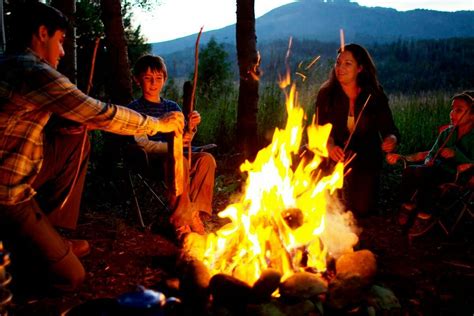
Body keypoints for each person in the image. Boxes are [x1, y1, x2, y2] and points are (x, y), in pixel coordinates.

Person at [0, 2, 184, 292]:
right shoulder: (33, 71)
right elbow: (102, 113)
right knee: (71, 276)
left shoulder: (9, 64)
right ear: (42, 33)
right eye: (60, 42)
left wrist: (62, 127)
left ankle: (53, 232)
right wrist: (159, 124)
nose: (62, 52)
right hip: (7, 194)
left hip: (19, 171)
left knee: (75, 136)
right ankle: (22, 258)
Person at [128, 54, 216, 237]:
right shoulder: (134, 110)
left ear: (164, 80)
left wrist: (191, 128)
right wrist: (172, 149)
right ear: (137, 80)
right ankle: (181, 220)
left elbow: (183, 140)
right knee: (179, 162)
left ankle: (196, 213)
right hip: (152, 160)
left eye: (158, 78)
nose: (154, 83)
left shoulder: (172, 107)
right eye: (148, 78)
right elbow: (142, 144)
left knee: (206, 160)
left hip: (179, 153)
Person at [315, 43, 400, 217]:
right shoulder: (326, 94)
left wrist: (391, 140)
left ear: (360, 68)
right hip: (335, 154)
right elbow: (319, 129)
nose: (340, 68)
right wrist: (330, 146)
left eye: (347, 63)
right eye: (338, 63)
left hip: (365, 157)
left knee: (361, 209)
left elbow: (390, 129)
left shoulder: (374, 95)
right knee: (328, 202)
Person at [386, 91, 474, 227]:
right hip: (437, 168)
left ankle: (424, 214)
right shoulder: (447, 133)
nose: (452, 113)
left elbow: (471, 162)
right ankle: (407, 205)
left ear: (472, 116)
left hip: (456, 175)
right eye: (452, 109)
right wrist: (428, 160)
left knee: (429, 176)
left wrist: (456, 154)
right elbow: (432, 153)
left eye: (459, 110)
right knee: (410, 171)